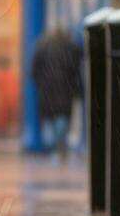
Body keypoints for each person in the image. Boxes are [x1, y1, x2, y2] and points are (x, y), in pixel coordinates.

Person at [31, 26, 82, 162]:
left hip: (47, 90)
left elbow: (34, 71)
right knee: (62, 117)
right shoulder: (70, 48)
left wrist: (41, 83)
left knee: (49, 118)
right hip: (65, 89)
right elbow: (76, 71)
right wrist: (77, 89)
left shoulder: (42, 48)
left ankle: (52, 147)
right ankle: (58, 146)